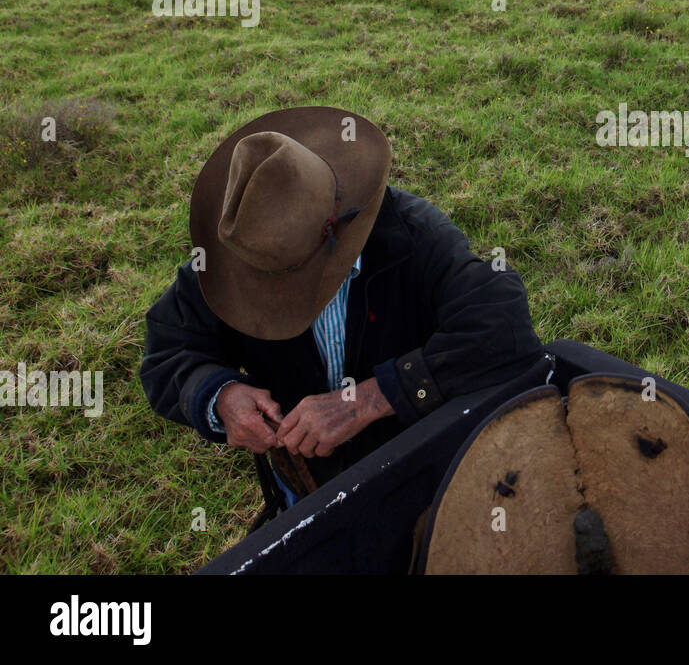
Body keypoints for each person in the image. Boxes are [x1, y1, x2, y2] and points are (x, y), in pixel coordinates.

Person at [140, 106, 543, 511]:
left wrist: (371, 398)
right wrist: (219, 396)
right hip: (309, 491)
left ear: (333, 220)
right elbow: (169, 352)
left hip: (426, 472)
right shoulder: (231, 260)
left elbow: (503, 327)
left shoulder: (411, 233)